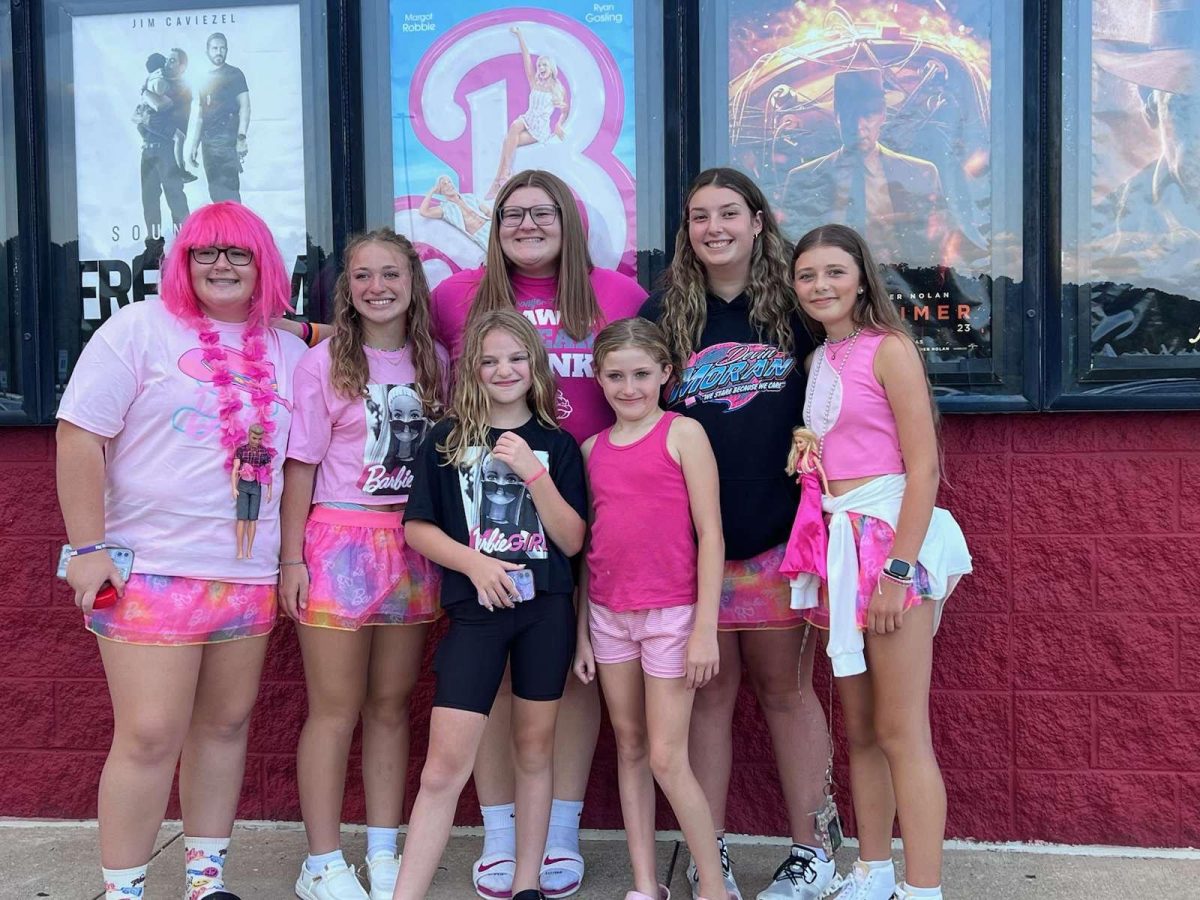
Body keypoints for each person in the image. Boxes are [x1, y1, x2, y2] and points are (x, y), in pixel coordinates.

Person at [55, 201, 307, 900]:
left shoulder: (289, 351)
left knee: (224, 727)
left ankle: (205, 878)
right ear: (183, 262)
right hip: (149, 571)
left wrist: (289, 563)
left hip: (246, 573)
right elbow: (79, 436)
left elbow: (296, 464)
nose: (222, 265)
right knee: (149, 734)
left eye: (239, 254)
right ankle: (124, 888)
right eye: (206, 252)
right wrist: (87, 547)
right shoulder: (138, 330)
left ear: (265, 266)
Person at [430, 168, 646, 900]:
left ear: (571, 219)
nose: (528, 225)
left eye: (543, 212)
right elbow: (392, 341)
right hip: (492, 519)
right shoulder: (456, 296)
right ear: (494, 226)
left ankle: (558, 827)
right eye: (512, 214)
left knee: (574, 671)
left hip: (593, 505)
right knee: (496, 679)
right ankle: (499, 830)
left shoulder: (617, 294)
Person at [639, 167, 833, 900]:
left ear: (759, 220)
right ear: (685, 231)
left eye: (728, 213)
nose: (713, 228)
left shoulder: (797, 306)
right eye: (698, 217)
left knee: (787, 692)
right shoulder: (668, 312)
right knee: (710, 698)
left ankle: (810, 851)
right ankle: (706, 848)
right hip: (696, 548)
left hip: (783, 537)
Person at [789, 223, 971, 900]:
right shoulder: (818, 363)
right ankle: (871, 871)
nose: (820, 286)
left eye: (834, 272)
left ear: (861, 277)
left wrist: (897, 571)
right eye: (807, 276)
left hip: (890, 547)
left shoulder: (889, 350)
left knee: (901, 729)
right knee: (860, 728)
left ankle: (922, 889)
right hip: (841, 550)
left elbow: (924, 469)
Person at [395, 309, 588, 900]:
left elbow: (574, 539)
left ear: (535, 365)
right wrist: (473, 563)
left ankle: (527, 883)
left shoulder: (557, 444)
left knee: (534, 748)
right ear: (472, 371)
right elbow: (417, 528)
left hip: (545, 612)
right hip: (476, 616)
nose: (504, 370)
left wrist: (534, 474)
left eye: (516, 358)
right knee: (442, 767)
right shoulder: (447, 440)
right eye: (489, 360)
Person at [279, 228, 448, 900]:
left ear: (412, 283)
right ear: (345, 290)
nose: (377, 287)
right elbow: (299, 467)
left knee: (389, 705)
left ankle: (383, 851)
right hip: (337, 544)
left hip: (410, 547)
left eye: (390, 274)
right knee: (335, 708)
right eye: (362, 276)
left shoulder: (434, 359)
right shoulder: (322, 364)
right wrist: (291, 557)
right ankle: (321, 860)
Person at [571, 318, 727, 900]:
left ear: (666, 373)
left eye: (641, 373)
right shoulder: (591, 449)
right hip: (610, 616)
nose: (629, 387)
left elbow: (711, 534)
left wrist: (705, 630)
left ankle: (713, 886)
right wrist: (584, 632)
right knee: (630, 744)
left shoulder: (682, 434)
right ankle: (644, 884)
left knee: (667, 756)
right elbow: (591, 547)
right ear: (598, 378)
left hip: (672, 616)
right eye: (615, 375)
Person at [781, 69, 947, 265]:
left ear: (883, 115)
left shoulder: (922, 174)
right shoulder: (802, 179)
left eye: (868, 115)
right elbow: (792, 252)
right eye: (850, 115)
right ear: (837, 116)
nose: (859, 126)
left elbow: (936, 249)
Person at [485, 27, 569, 200]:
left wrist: (559, 124)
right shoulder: (535, 82)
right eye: (539, 65)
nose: (540, 67)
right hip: (527, 119)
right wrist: (520, 35)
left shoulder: (557, 88)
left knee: (508, 140)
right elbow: (526, 59)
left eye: (544, 64)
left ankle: (497, 182)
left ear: (551, 68)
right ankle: (505, 174)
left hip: (539, 129)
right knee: (515, 126)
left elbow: (565, 109)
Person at [138, 47, 192, 257]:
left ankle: (187, 244)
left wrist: (145, 93)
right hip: (148, 149)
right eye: (166, 60)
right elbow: (140, 116)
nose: (167, 64)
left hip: (166, 150)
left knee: (175, 196)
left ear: (181, 66)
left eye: (172, 61)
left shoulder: (181, 89)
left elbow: (159, 109)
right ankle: (154, 248)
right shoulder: (160, 82)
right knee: (149, 199)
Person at [187, 32, 251, 203]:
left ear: (227, 50)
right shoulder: (204, 78)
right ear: (207, 51)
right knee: (215, 194)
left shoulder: (234, 74)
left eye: (222, 48)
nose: (219, 51)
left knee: (230, 194)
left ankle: (236, 231)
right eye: (215, 48)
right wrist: (194, 145)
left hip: (227, 140)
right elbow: (201, 114)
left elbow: (245, 106)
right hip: (208, 143)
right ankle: (222, 231)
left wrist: (241, 137)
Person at [419, 174, 494, 251]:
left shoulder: (469, 197)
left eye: (449, 182)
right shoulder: (445, 209)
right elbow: (423, 212)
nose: (449, 185)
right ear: (440, 191)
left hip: (490, 225)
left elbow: (488, 212)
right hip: (480, 235)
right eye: (444, 184)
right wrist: (432, 191)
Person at [231, 422, 272, 559]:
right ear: (249, 435)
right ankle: (239, 550)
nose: (256, 441)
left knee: (253, 519)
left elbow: (268, 472)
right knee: (242, 518)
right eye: (254, 438)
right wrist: (234, 487)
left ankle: (249, 549)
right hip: (242, 485)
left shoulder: (264, 453)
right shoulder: (241, 451)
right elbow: (235, 470)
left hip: (256, 485)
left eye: (259, 439)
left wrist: (270, 490)